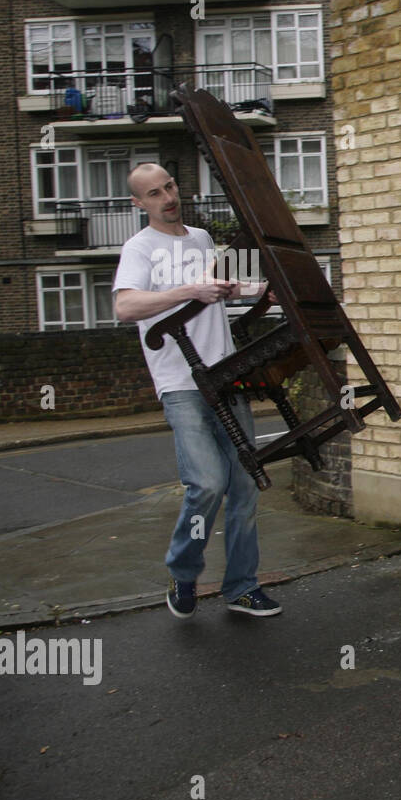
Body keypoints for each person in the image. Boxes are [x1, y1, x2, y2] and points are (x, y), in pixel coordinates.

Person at [113, 163, 281, 619]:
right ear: (138, 203)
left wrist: (261, 292)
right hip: (180, 384)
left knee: (245, 485)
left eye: (169, 186)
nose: (167, 197)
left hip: (225, 377)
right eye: (153, 193)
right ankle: (184, 573)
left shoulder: (204, 238)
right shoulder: (139, 248)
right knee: (206, 483)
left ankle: (242, 587)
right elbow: (125, 305)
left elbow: (224, 288)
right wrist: (188, 290)